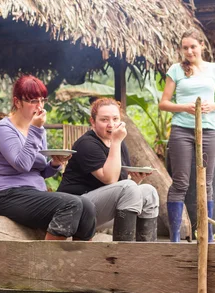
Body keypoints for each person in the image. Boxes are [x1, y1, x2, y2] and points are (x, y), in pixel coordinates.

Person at [0, 75, 96, 241]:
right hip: (8, 195)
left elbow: (40, 171)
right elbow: (22, 165)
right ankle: (49, 262)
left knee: (88, 207)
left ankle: (82, 262)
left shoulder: (39, 130)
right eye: (33, 101)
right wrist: (35, 130)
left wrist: (55, 163)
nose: (39, 106)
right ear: (17, 102)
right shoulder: (4, 129)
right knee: (72, 204)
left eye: (42, 100)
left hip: (34, 192)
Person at [159, 28, 215, 242]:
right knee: (180, 182)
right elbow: (164, 103)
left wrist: (211, 106)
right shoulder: (176, 70)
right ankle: (175, 237)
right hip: (181, 130)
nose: (189, 51)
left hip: (208, 129)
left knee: (206, 183)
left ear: (202, 46)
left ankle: (206, 235)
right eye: (185, 48)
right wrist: (184, 107)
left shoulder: (214, 70)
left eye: (193, 47)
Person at [57, 98, 159, 241]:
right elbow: (109, 179)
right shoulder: (87, 144)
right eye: (104, 120)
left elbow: (121, 185)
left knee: (149, 192)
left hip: (101, 208)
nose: (111, 124)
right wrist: (116, 141)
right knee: (129, 187)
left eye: (115, 119)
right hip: (76, 209)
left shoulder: (119, 144)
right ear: (92, 121)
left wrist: (136, 179)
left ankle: (146, 251)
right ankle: (122, 253)